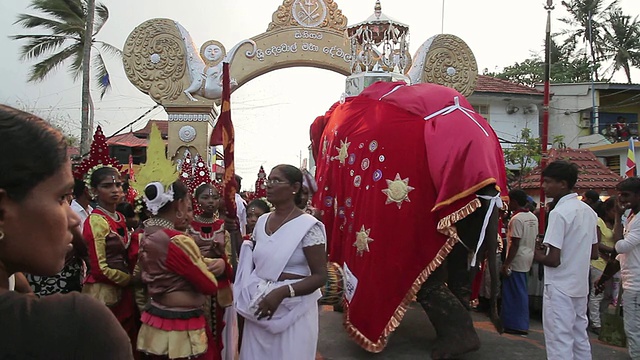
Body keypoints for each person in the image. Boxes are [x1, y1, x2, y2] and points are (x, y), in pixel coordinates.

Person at [0, 104, 133, 358]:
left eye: (119, 185)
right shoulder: (78, 325)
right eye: (61, 197)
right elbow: (97, 263)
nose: (73, 219)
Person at [234, 164, 327, 359]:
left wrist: (283, 292)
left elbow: (320, 276)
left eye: (276, 181)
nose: (269, 185)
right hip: (260, 306)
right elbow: (257, 264)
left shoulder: (308, 226)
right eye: (269, 180)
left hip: (294, 309)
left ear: (294, 188)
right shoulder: (262, 221)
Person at [533, 160, 598, 360]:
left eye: (548, 182)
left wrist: (534, 253)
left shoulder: (559, 213)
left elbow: (553, 260)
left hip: (559, 286)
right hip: (579, 285)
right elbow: (593, 253)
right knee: (580, 337)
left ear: (563, 184)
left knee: (559, 339)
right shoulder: (589, 211)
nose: (544, 186)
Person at [82, 165, 138, 354]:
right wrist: (129, 280)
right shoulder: (96, 221)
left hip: (123, 292)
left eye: (118, 185)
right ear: (94, 191)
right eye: (107, 186)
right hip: (103, 293)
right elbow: (99, 268)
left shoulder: (120, 217)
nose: (115, 190)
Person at [500, 189, 538, 335]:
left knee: (513, 293)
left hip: (517, 259)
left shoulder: (516, 219)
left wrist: (507, 263)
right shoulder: (532, 217)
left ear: (514, 201)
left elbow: (515, 243)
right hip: (528, 256)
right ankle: (519, 322)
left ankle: (515, 323)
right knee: (521, 291)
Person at [613, 177, 640, 358]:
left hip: (636, 285)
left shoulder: (637, 220)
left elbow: (621, 247)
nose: (622, 199)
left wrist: (616, 217)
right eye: (620, 195)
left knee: (633, 329)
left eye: (626, 195)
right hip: (631, 282)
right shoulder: (632, 217)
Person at [589, 197, 619, 335]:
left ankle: (602, 318)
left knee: (609, 295)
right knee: (597, 294)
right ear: (607, 210)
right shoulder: (599, 222)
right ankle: (595, 322)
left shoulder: (618, 224)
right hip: (599, 261)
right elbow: (597, 243)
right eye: (614, 210)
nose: (616, 213)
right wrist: (614, 250)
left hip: (612, 264)